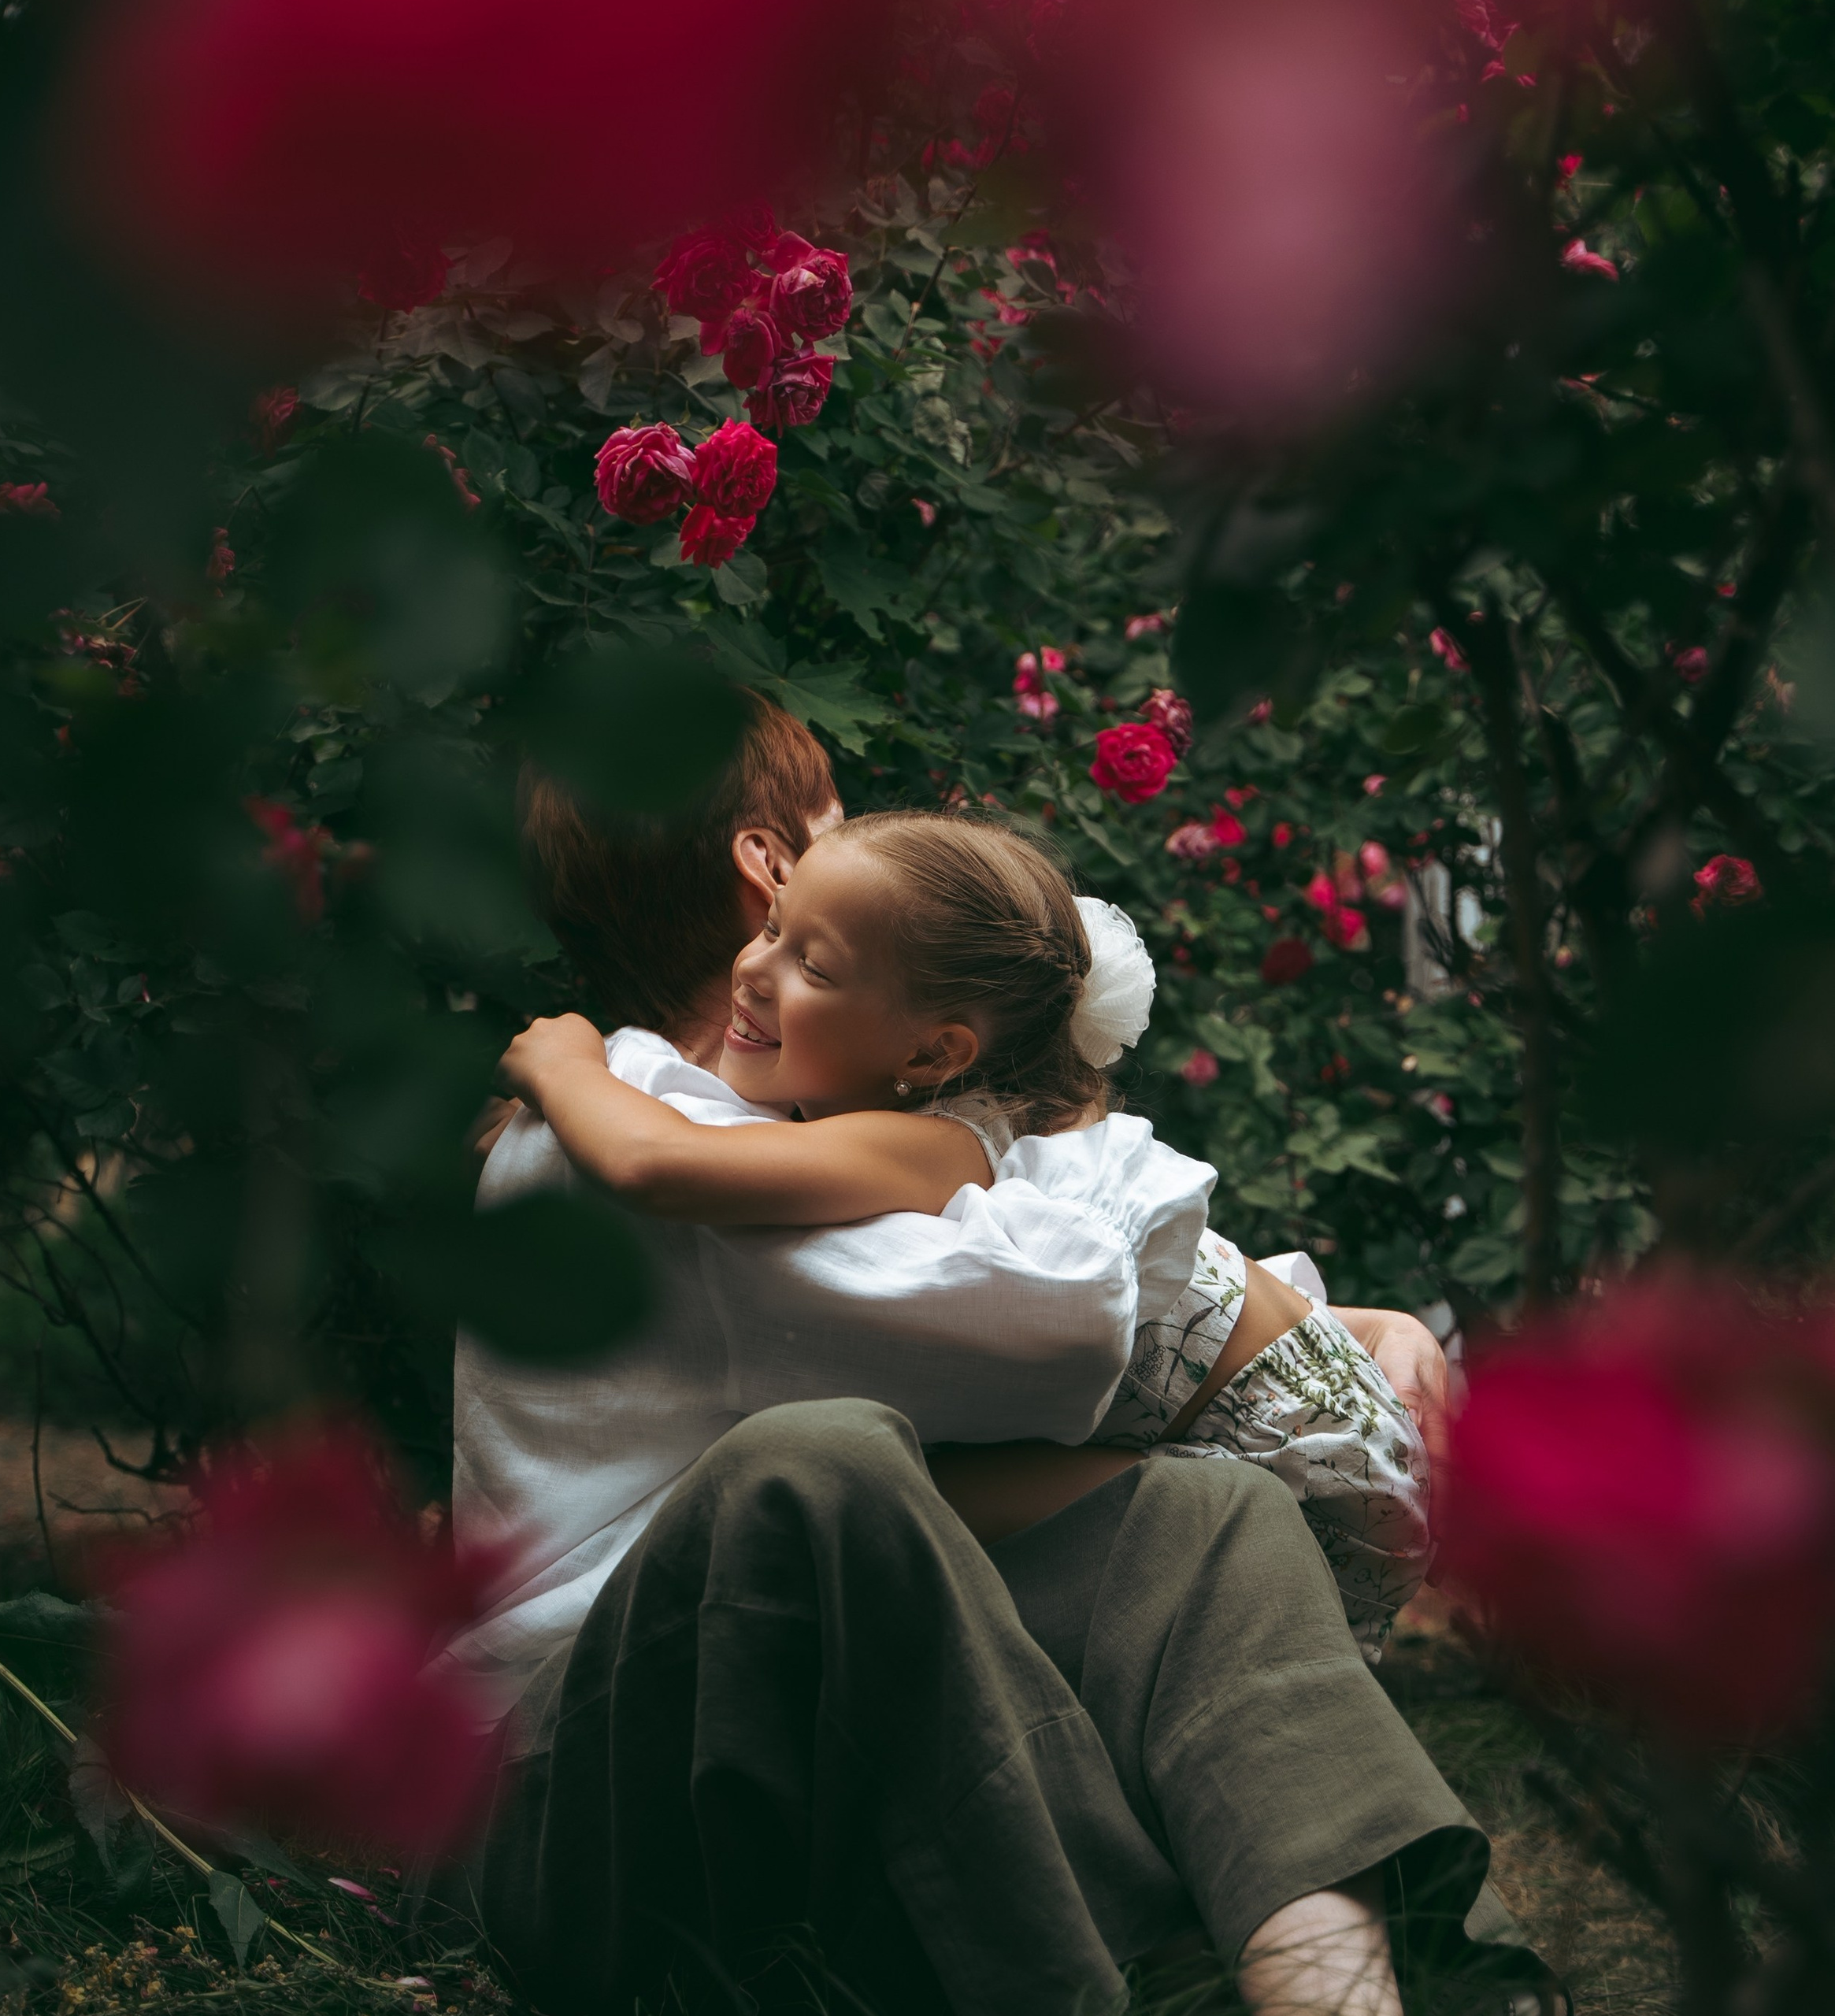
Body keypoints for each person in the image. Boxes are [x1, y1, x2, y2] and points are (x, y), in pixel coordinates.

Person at [442, 698, 1551, 2014]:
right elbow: (1061, 1321)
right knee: (829, 1468)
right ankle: (1147, 1975)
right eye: (841, 822)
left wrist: (1330, 1321)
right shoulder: (638, 1134)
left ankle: (1384, 1975)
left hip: (767, 1729)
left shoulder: (778, 1132)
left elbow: (1064, 1296)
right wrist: (1302, 1325)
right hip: (580, 1795)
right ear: (770, 865)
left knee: (1201, 1516)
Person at [498, 810, 1429, 1657]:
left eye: (812, 968)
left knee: (877, 1505)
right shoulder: (973, 1124)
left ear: (933, 1053)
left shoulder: (930, 1142)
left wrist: (566, 1062)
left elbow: (657, 1168)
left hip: (1303, 1474)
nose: (754, 968)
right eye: (774, 927)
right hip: (1319, 1414)